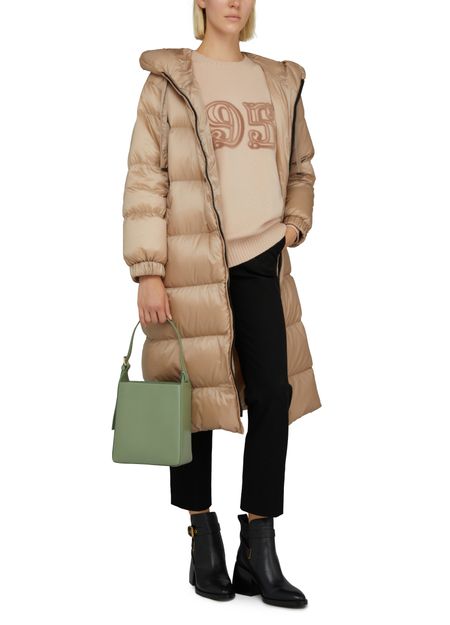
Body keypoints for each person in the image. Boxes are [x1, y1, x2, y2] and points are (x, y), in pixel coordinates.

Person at [121, 0, 321, 609]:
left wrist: (293, 224)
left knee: (273, 394)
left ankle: (258, 547)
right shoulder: (168, 83)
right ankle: (201, 538)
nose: (235, 1)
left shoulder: (279, 80)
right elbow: (145, 178)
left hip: (261, 257)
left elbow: (302, 167)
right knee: (195, 399)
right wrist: (148, 271)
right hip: (190, 261)